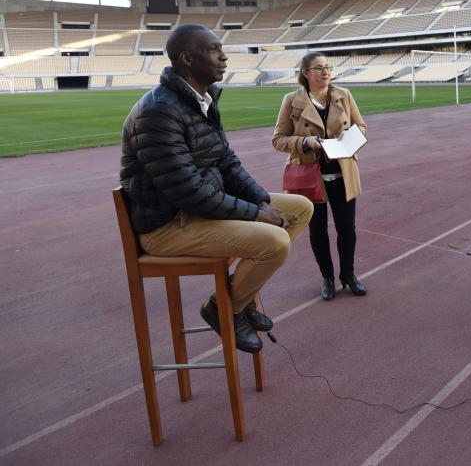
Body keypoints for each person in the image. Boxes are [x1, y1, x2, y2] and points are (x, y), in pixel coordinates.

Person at [120, 25, 314, 354]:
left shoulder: (202, 100)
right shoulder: (158, 111)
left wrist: (261, 200)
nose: (224, 57)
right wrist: (255, 213)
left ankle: (234, 301)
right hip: (169, 226)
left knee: (298, 208)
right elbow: (187, 191)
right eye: (213, 49)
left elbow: (227, 162)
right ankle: (227, 308)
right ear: (186, 58)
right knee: (275, 240)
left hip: (197, 211)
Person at [273, 52, 368, 300]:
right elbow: (278, 140)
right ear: (306, 73)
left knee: (347, 228)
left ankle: (348, 275)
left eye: (328, 67)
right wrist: (305, 141)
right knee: (317, 231)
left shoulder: (343, 95)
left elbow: (361, 127)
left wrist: (348, 142)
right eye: (319, 68)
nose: (326, 71)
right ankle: (327, 277)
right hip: (309, 176)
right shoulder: (291, 100)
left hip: (343, 173)